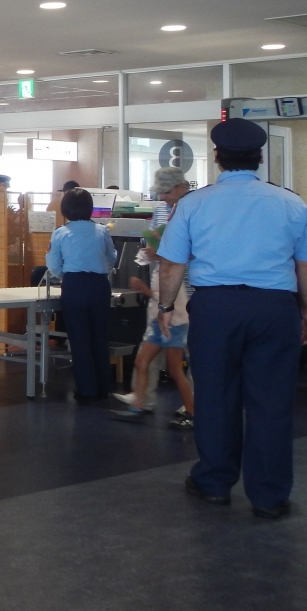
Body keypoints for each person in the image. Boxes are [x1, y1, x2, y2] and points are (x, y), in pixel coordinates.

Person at [156, 118, 307, 519]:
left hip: (216, 309)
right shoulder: (292, 203)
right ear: (259, 158)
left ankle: (214, 482)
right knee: (272, 402)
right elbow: (305, 266)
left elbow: (171, 265)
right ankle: (269, 495)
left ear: (217, 158)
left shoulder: (193, 204)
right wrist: (306, 310)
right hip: (275, 309)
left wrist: (166, 308)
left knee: (214, 396)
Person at [112, 166, 195, 427]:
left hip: (180, 301)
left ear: (182, 187)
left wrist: (155, 263)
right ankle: (142, 400)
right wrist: (153, 253)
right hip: (166, 301)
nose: (164, 197)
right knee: (150, 361)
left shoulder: (194, 210)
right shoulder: (162, 212)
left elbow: (183, 255)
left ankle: (192, 408)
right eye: (161, 193)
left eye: (167, 191)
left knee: (177, 364)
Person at [46, 188, 117, 400]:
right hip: (100, 285)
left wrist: (66, 275)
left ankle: (86, 390)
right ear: (90, 208)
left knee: (79, 339)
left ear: (65, 209)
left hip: (74, 285)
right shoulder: (102, 231)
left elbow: (53, 264)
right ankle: (103, 387)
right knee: (100, 337)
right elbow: (111, 257)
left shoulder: (61, 233)